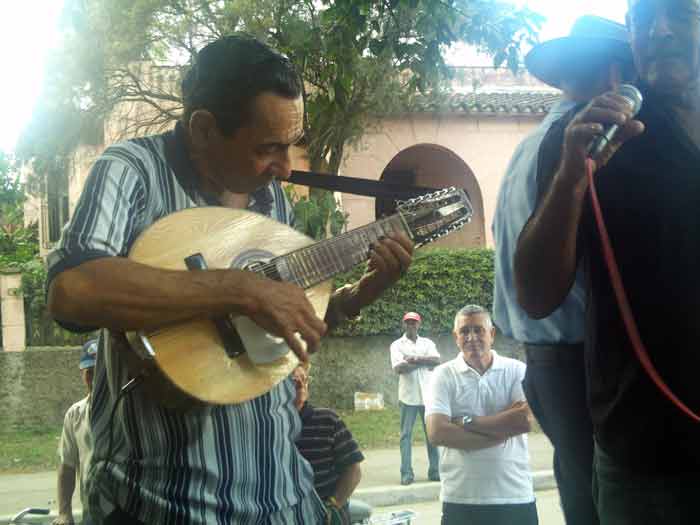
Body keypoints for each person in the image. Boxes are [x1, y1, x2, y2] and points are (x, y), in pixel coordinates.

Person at [46, 34, 413, 525]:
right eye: (268, 148)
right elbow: (73, 290)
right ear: (202, 129)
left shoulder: (269, 200)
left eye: (290, 145)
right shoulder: (132, 171)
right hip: (160, 507)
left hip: (283, 499)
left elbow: (268, 334)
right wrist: (239, 288)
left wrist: (358, 295)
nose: (284, 167)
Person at [515, 1, 700, 523]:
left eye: (680, 14)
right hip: (644, 455)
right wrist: (572, 179)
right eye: (642, 18)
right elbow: (535, 295)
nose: (659, 29)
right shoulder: (585, 137)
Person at [491, 16, 634, 525]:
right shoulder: (586, 144)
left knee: (580, 492)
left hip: (543, 361)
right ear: (618, 74)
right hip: (582, 362)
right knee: (606, 499)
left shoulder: (530, 145)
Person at [426, 305, 537, 525]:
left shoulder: (516, 370)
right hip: (461, 500)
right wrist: (503, 430)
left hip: (515, 496)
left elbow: (525, 420)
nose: (472, 337)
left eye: (479, 330)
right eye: (465, 331)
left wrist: (468, 421)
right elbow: (437, 432)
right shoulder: (443, 375)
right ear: (455, 337)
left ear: (492, 334)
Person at [292, 365, 371, 525]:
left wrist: (333, 506)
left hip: (327, 514)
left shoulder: (328, 420)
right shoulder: (271, 428)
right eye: (293, 381)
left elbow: (353, 470)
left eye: (304, 379)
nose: (301, 385)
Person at [389, 311, 440, 485]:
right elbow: (399, 369)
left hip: (428, 396)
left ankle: (435, 471)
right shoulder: (396, 345)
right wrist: (424, 362)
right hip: (408, 397)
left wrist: (413, 359)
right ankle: (406, 473)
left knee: (432, 434)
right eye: (408, 322)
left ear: (419, 324)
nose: (411, 325)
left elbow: (436, 361)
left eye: (414, 322)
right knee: (406, 436)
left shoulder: (427, 343)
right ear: (404, 325)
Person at [53, 339, 98, 525]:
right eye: (88, 373)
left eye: (98, 372)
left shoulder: (127, 410)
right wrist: (64, 512)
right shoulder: (75, 415)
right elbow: (67, 467)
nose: (93, 379)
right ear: (82, 374)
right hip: (92, 513)